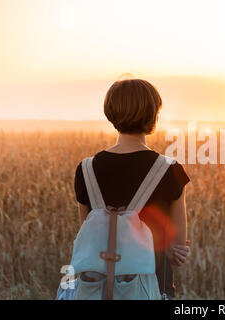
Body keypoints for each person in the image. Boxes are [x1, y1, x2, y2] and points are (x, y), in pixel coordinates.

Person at [73, 78, 190, 299]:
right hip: (152, 289)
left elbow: (88, 238)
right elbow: (177, 250)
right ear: (153, 114)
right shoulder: (170, 170)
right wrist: (178, 252)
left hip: (96, 291)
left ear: (111, 112)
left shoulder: (86, 170)